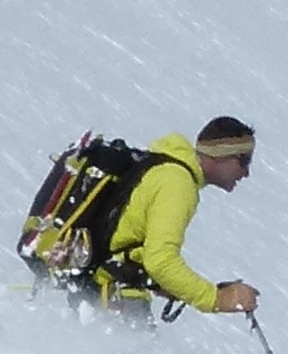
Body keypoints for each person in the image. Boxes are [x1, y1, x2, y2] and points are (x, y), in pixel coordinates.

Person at [90, 117, 263, 316]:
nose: (246, 172)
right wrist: (218, 299)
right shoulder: (178, 184)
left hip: (100, 283)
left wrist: (167, 284)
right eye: (244, 160)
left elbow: (127, 237)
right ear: (221, 155)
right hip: (111, 291)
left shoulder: (165, 169)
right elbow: (160, 261)